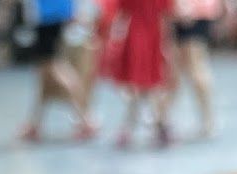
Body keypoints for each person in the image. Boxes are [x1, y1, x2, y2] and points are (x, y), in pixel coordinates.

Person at [18, 0, 98, 140]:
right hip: (48, 19)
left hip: (47, 19)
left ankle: (85, 119)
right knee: (46, 77)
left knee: (53, 69)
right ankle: (35, 124)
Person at [110, 0, 174, 147]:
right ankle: (158, 124)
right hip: (148, 33)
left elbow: (122, 11)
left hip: (140, 33)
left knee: (142, 85)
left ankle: (133, 126)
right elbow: (166, 13)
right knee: (147, 84)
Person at [167, 0, 234, 137]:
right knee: (176, 69)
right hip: (183, 15)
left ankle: (207, 120)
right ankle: (162, 118)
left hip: (192, 15)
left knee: (195, 68)